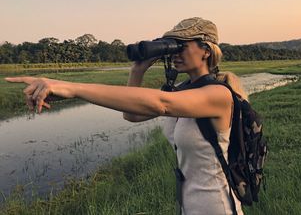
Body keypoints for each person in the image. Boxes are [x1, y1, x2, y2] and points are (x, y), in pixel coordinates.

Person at [5, 17, 247, 215]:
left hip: (216, 206)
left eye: (181, 45)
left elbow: (161, 104)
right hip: (188, 203)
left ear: (205, 50)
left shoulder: (217, 94)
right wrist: (137, 70)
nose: (175, 53)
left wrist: (71, 87)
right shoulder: (184, 90)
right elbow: (131, 115)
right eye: (172, 46)